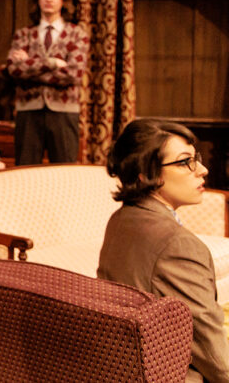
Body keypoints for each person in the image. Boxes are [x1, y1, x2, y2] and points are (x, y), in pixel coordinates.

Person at [98, 119, 229, 383]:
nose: (202, 169)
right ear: (146, 174)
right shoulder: (179, 245)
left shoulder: (121, 218)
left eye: (196, 158)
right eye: (185, 162)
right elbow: (216, 360)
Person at [5, 0, 88, 165]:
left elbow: (74, 74)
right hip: (29, 110)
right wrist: (52, 62)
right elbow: (15, 70)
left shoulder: (77, 34)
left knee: (64, 171)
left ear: (63, 1)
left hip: (64, 111)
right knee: (25, 171)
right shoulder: (24, 34)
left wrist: (30, 65)